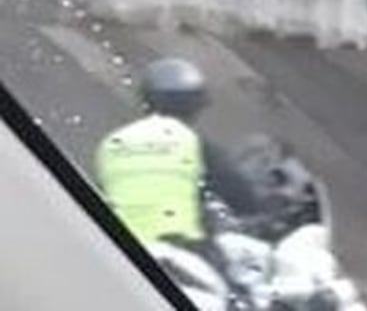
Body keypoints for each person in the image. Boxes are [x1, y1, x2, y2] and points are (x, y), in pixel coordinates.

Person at [95, 58, 260, 254]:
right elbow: (241, 197)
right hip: (182, 250)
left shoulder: (111, 143)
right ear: (195, 106)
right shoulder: (194, 144)